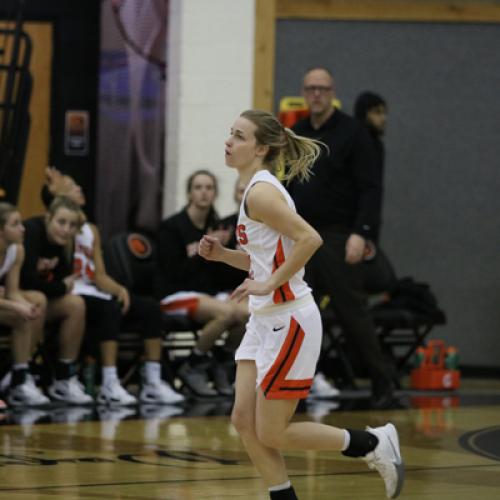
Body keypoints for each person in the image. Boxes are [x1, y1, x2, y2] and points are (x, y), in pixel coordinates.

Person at [198, 109, 404, 500]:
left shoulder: (260, 192)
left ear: (260, 148)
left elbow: (310, 239)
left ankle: (373, 444)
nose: (229, 141)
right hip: (264, 321)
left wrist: (272, 282)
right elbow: (266, 257)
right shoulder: (254, 191)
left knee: (272, 430)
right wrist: (224, 255)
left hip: (289, 320)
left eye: (239, 136)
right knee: (243, 420)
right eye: (231, 133)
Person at [289, 67, 397, 408]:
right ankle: (301, 381)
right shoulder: (298, 132)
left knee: (352, 313)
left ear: (332, 92)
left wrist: (361, 234)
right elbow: (289, 182)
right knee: (299, 312)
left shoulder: (353, 132)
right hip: (301, 236)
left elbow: (370, 188)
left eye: (322, 88)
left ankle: (384, 381)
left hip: (338, 237)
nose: (316, 94)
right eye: (311, 88)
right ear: (304, 93)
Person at [42, 167, 184, 406]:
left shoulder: (91, 230)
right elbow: (54, 212)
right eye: (73, 186)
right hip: (72, 293)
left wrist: (119, 290)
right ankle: (109, 382)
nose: (79, 188)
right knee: (109, 309)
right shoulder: (61, 225)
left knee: (149, 308)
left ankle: (152, 382)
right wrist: (55, 190)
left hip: (92, 289)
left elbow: (99, 275)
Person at [156, 170, 248, 397]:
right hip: (174, 293)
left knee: (248, 313)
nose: (204, 192)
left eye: (209, 187)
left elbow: (222, 277)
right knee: (227, 314)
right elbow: (173, 273)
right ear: (189, 193)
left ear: (215, 193)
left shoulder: (219, 227)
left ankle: (222, 362)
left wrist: (225, 254)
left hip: (207, 293)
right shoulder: (172, 227)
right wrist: (202, 253)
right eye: (198, 187)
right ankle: (191, 365)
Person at [20, 196, 92, 404]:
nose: (66, 229)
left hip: (37, 301)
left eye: (72, 225)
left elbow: (64, 285)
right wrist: (58, 286)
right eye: (61, 222)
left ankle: (64, 377)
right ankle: (20, 376)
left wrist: (58, 286)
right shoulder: (31, 232)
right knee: (38, 298)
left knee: (75, 304)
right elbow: (27, 280)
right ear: (48, 218)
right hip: (17, 298)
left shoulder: (64, 244)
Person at [0, 203, 50, 407]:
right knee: (19, 310)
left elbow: (12, 291)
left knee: (31, 307)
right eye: (15, 224)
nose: (23, 228)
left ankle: (18, 378)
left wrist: (26, 307)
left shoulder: (16, 250)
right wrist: (16, 306)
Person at [353, 91, 397, 294]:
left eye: (384, 113)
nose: (383, 118)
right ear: (364, 113)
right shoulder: (358, 144)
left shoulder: (377, 146)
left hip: (369, 225)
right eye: (376, 112)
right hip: (353, 228)